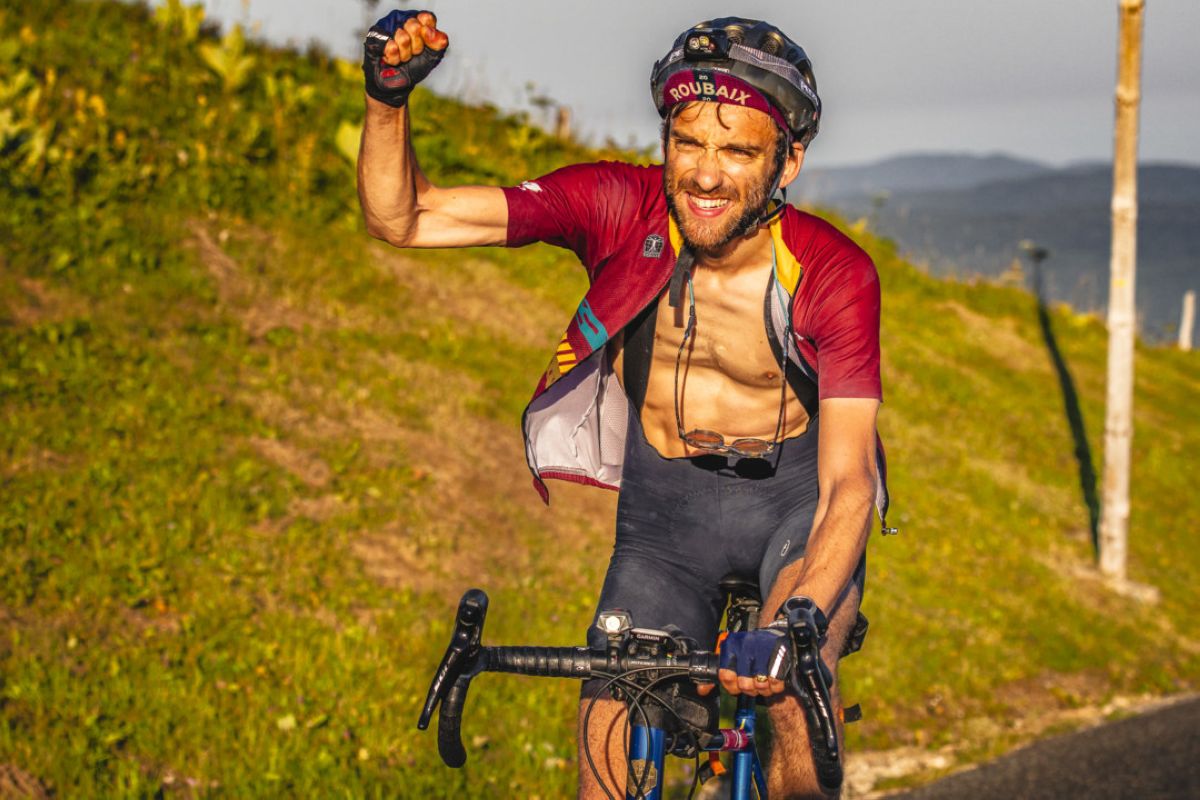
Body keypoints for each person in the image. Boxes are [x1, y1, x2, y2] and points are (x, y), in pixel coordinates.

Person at [357, 10, 891, 798]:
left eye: (739, 152)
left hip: (795, 514)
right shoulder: (617, 205)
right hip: (665, 526)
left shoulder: (833, 272)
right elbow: (403, 217)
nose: (705, 175)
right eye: (688, 143)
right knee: (605, 732)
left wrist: (798, 620)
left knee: (791, 692)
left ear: (789, 161)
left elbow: (850, 484)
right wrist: (387, 100)